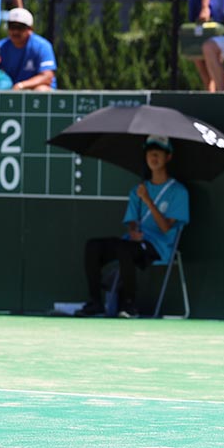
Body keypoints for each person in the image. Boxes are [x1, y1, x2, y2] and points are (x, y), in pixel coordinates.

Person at [76, 135, 189, 319]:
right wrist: (133, 230)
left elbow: (166, 228)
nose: (153, 156)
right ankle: (95, 303)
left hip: (159, 247)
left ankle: (129, 306)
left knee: (124, 249)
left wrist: (148, 200)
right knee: (93, 246)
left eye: (158, 152)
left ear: (168, 156)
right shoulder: (138, 190)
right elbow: (132, 220)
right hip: (133, 243)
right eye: (150, 152)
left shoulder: (179, 192)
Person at [0, 8, 58, 91]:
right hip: (10, 90)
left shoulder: (42, 46)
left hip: (33, 89)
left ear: (30, 29)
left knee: (41, 90)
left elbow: (47, 77)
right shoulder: (0, 47)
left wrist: (21, 86)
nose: (15, 31)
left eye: (20, 27)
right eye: (12, 27)